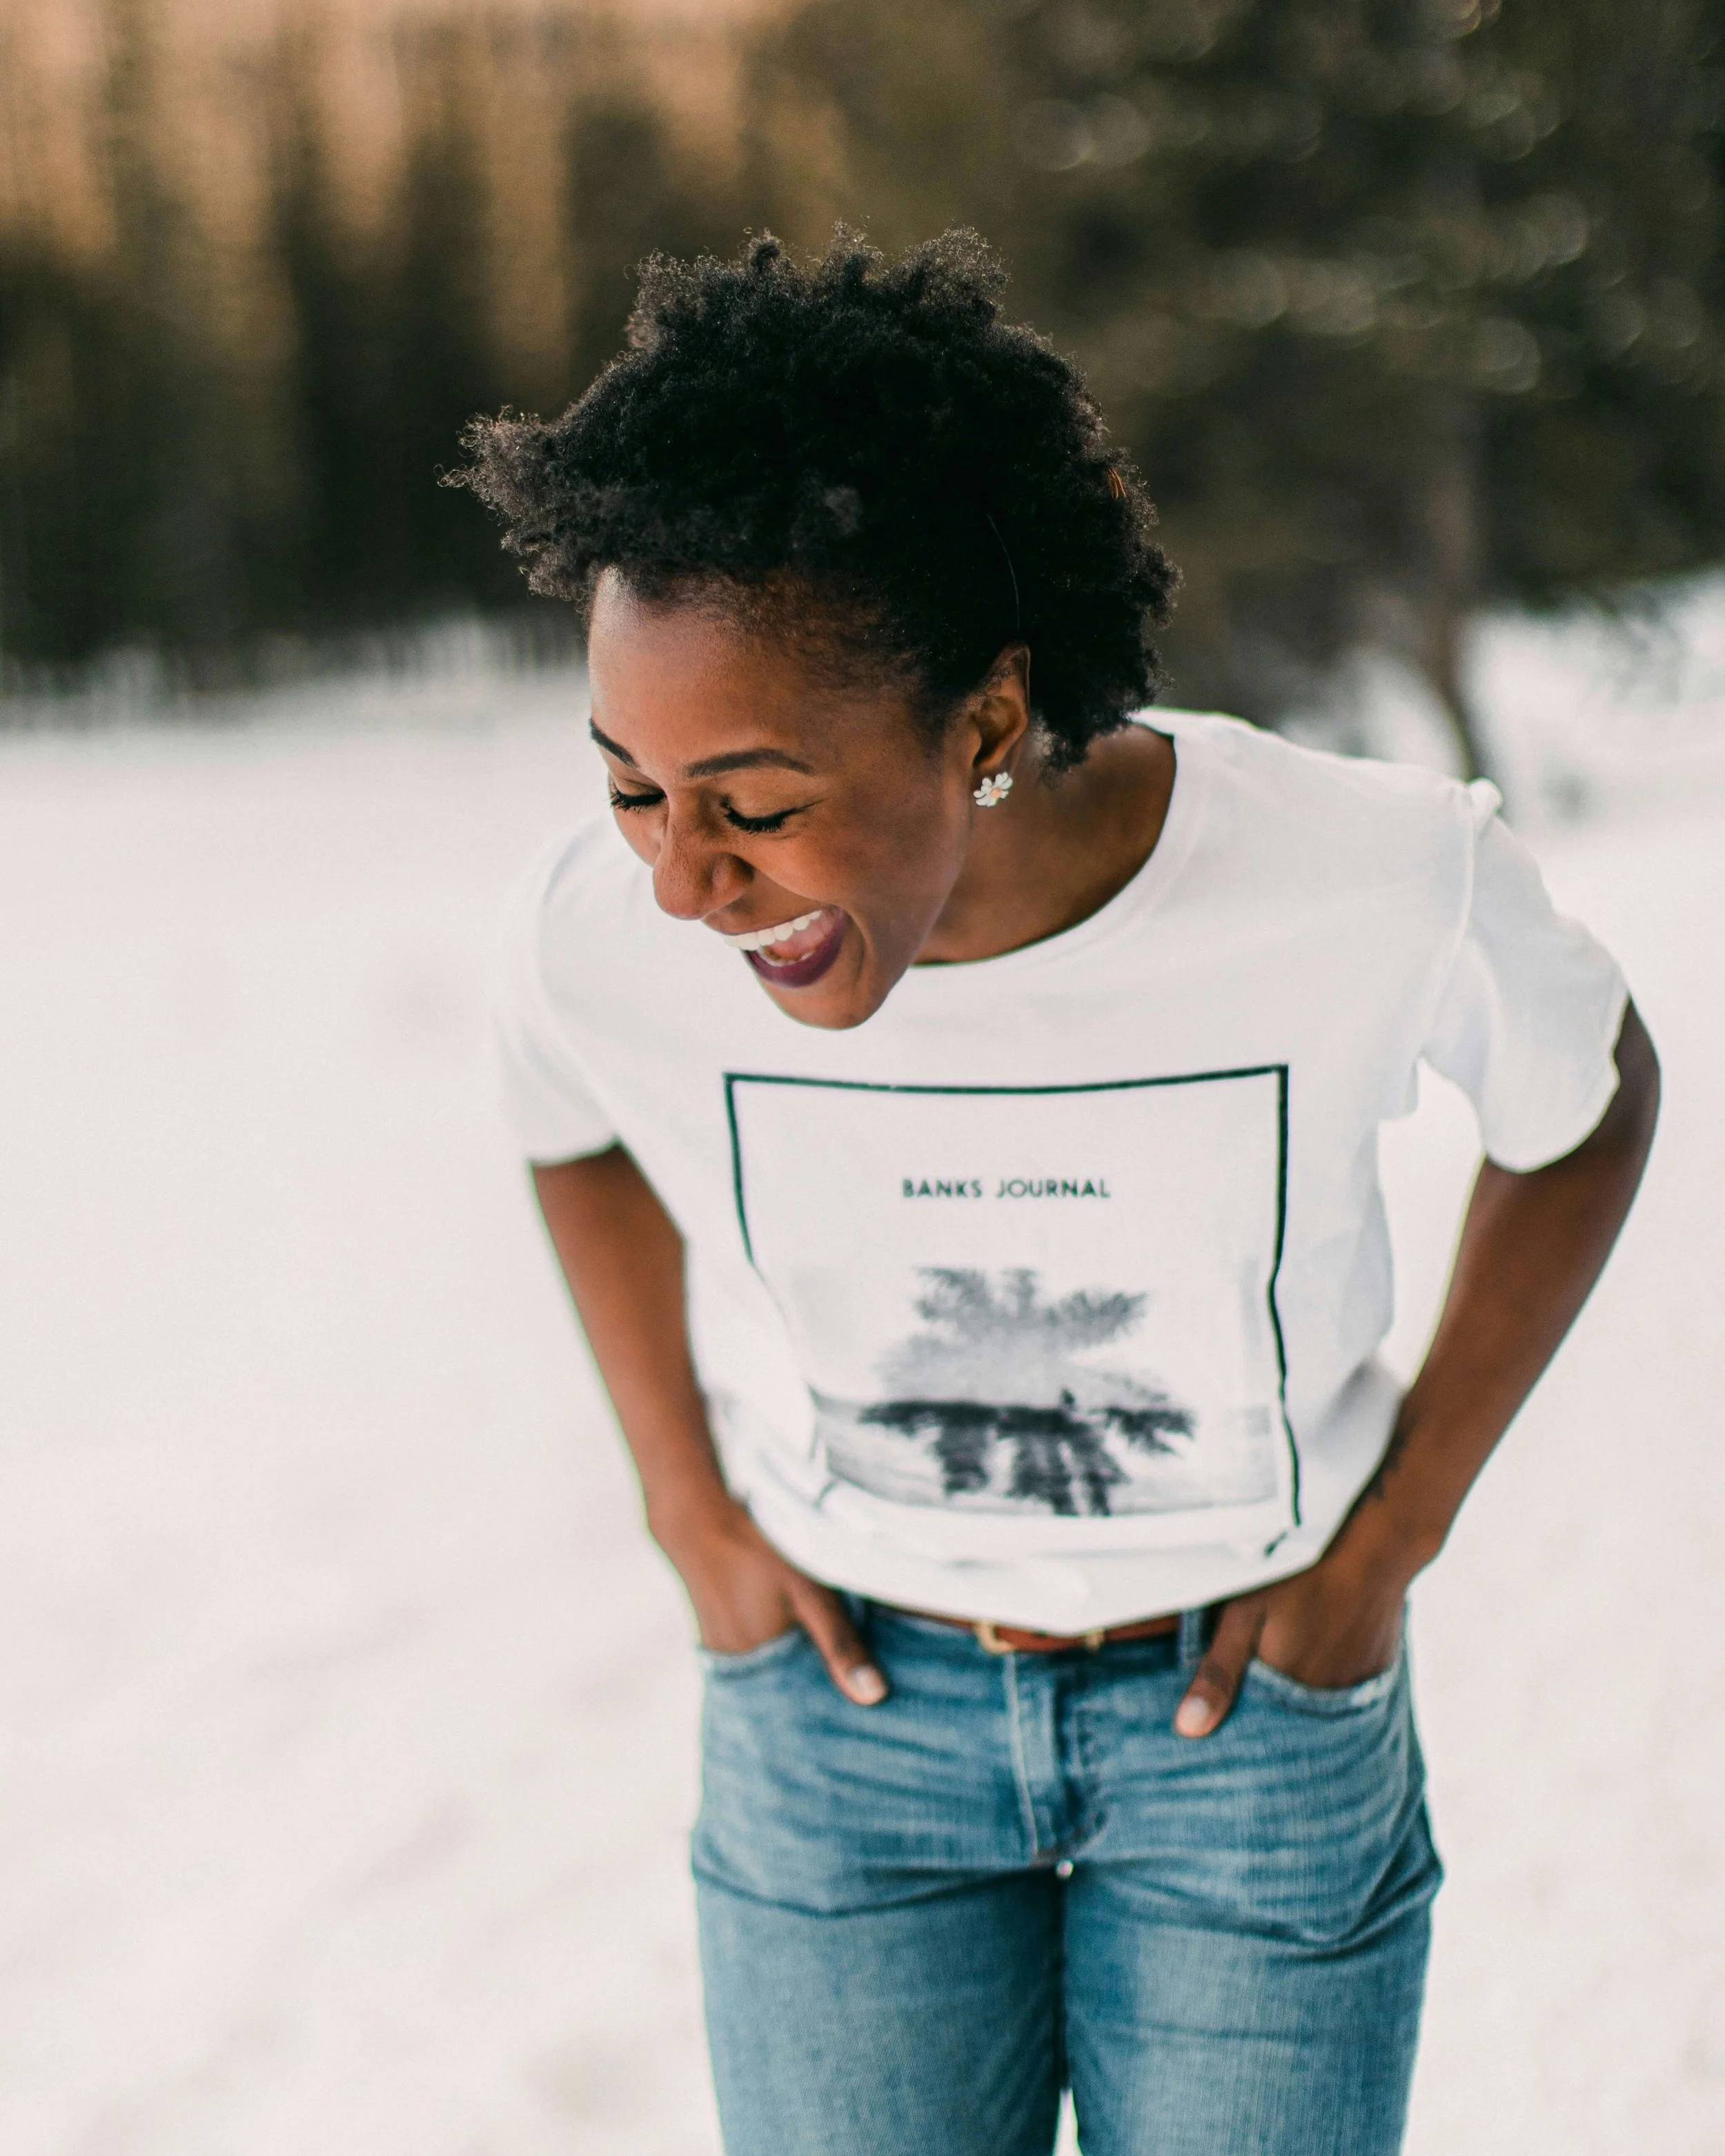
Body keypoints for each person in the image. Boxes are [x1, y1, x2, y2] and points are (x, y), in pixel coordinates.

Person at [455, 230, 1659, 2156]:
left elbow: (1585, 1101)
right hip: (837, 1735)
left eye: (751, 804)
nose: (681, 879)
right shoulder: (600, 934)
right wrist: (680, 1494)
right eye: (629, 785)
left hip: (1244, 1731)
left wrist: (1388, 1537)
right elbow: (564, 1115)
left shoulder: (1358, 879)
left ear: (990, 723)